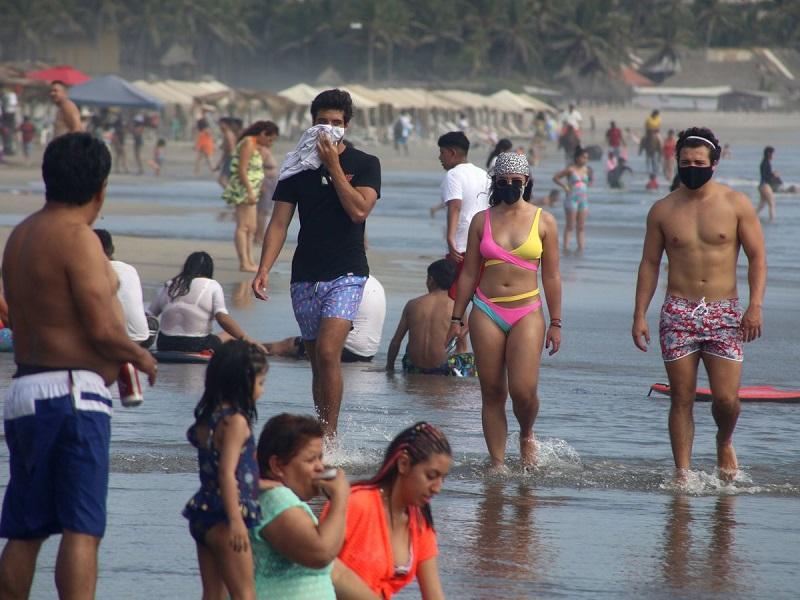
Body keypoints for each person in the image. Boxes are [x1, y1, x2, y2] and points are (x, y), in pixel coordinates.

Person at [0, 133, 157, 599]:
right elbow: (101, 329)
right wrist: (140, 356)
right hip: (71, 395)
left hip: (25, 391)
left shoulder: (21, 236)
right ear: (101, 189)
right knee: (81, 527)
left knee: (25, 527)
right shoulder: (79, 238)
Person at [632, 127, 766, 481]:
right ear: (676, 162)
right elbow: (649, 264)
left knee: (726, 400)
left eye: (699, 162)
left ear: (714, 163)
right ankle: (683, 473)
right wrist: (639, 315)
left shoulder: (736, 204)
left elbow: (757, 257)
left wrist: (755, 306)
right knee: (681, 398)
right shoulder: (662, 210)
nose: (692, 167)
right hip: (678, 311)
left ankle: (724, 440)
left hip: (724, 311)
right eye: (685, 162)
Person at [252, 89, 381, 437]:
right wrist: (263, 268)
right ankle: (321, 432)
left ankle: (330, 437)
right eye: (322, 122)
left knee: (327, 353)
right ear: (311, 123)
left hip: (348, 272)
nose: (328, 129)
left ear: (347, 126)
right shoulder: (297, 168)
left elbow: (358, 210)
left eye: (336, 123)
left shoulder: (365, 164)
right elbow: (279, 223)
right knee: (316, 362)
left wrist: (335, 166)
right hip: (305, 275)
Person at [450, 153, 562, 470]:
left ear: (526, 182)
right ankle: (497, 461)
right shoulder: (481, 221)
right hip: (486, 309)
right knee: (493, 390)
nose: (510, 186)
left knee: (523, 392)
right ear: (495, 183)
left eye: (516, 181)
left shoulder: (545, 221)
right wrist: (456, 318)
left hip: (527, 310)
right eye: (504, 182)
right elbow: (469, 273)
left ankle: (526, 432)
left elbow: (552, 275)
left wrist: (556, 322)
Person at [251, 413, 377, 600]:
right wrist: (340, 499)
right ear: (277, 466)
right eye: (311, 460)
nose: (320, 467)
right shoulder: (274, 498)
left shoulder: (292, 505)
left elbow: (337, 574)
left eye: (320, 458)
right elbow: (322, 553)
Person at [323, 422, 452, 599]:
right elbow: (321, 566)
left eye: (442, 479)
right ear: (403, 464)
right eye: (431, 476)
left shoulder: (420, 522)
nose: (437, 488)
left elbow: (434, 595)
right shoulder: (356, 503)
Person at [184, 340, 267, 600]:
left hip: (203, 512)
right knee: (245, 593)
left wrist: (270, 485)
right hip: (225, 516)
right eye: (260, 383)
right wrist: (236, 522)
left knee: (212, 593)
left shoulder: (207, 419)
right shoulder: (236, 422)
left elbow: (226, 471)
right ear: (242, 382)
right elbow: (227, 474)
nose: (262, 391)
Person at [264, 275, 386, 364]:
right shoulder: (373, 282)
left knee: (285, 345)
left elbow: (319, 323)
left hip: (345, 351)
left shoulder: (343, 283)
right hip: (368, 353)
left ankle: (253, 348)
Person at [386, 259, 475, 377]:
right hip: (443, 369)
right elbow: (461, 348)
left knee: (409, 346)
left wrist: (389, 369)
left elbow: (396, 342)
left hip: (413, 367)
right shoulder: (457, 309)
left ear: (431, 280)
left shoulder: (412, 305)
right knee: (470, 356)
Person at [149, 251, 250, 353]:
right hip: (197, 345)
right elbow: (223, 318)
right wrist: (247, 339)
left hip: (165, 344)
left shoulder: (169, 285)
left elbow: (149, 315)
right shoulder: (212, 285)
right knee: (229, 335)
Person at [438, 131, 490, 304]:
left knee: (451, 300)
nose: (440, 157)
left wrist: (450, 238)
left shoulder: (453, 175)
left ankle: (455, 330)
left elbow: (455, 206)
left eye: (442, 152)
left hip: (461, 246)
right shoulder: (484, 174)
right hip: (485, 245)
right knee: (479, 300)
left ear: (452, 152)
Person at [222, 121, 275, 273]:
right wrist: (250, 190)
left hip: (252, 189)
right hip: (244, 190)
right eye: (270, 139)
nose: (270, 143)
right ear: (263, 134)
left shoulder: (255, 145)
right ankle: (244, 262)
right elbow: (242, 169)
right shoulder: (248, 143)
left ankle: (250, 260)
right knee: (243, 226)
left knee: (251, 227)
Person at [94, 229, 153, 348]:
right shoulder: (130, 269)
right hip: (139, 338)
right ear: (112, 249)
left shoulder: (89, 271)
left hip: (106, 339)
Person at [553, 146, 591, 252]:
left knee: (581, 227)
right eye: (584, 157)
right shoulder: (570, 169)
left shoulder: (586, 170)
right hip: (571, 199)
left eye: (587, 158)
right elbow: (555, 178)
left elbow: (588, 183)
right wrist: (565, 186)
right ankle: (565, 248)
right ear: (578, 158)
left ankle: (581, 249)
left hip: (583, 200)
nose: (586, 160)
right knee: (570, 226)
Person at [255, 122, 280, 243]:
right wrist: (261, 185)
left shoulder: (263, 149)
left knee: (265, 211)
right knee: (262, 211)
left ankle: (259, 236)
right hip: (266, 181)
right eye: (271, 138)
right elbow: (257, 167)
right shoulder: (261, 149)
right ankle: (259, 237)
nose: (272, 142)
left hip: (270, 180)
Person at [757, 146, 778, 223]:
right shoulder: (766, 163)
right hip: (764, 185)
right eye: (773, 154)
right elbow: (767, 176)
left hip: (762, 185)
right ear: (769, 154)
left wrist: (773, 174)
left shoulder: (765, 162)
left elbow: (766, 174)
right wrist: (774, 175)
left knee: (762, 204)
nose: (774, 156)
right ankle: (772, 220)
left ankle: (752, 216)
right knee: (772, 203)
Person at [216, 117, 238, 189]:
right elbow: (225, 151)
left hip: (231, 159)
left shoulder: (229, 134)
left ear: (226, 125)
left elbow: (232, 149)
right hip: (230, 159)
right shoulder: (227, 134)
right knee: (226, 181)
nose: (219, 126)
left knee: (222, 180)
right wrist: (219, 163)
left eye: (221, 124)